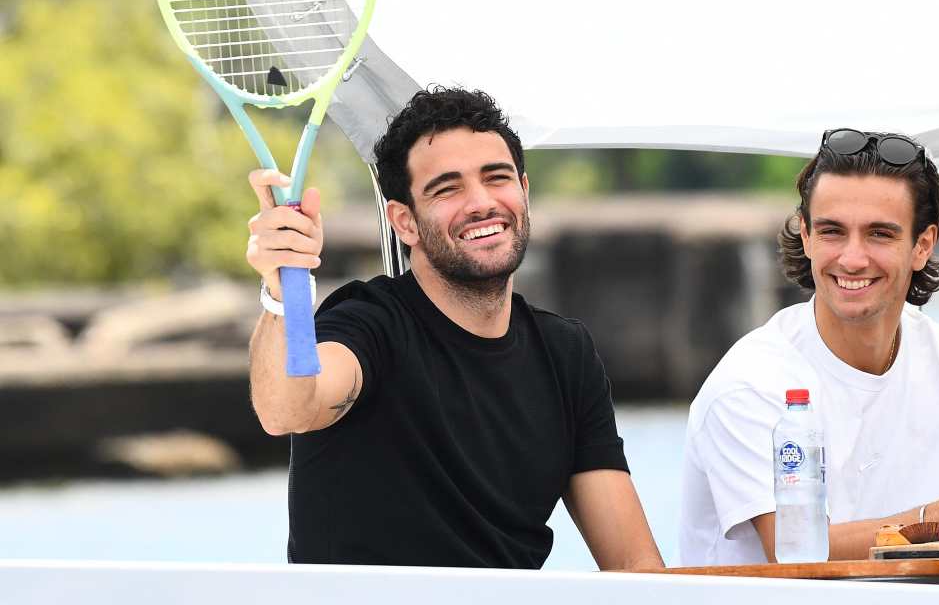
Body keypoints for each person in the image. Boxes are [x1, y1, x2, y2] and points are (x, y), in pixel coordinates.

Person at [244, 86, 663, 570]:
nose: (481, 202)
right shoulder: (370, 322)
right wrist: (280, 294)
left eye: (497, 177)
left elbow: (636, 570)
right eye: (447, 188)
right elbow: (289, 411)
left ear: (524, 192)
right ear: (404, 222)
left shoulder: (565, 354)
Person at [678, 128, 939, 564]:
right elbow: (796, 552)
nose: (852, 258)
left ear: (923, 245)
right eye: (832, 232)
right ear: (805, 237)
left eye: (879, 234)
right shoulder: (750, 383)